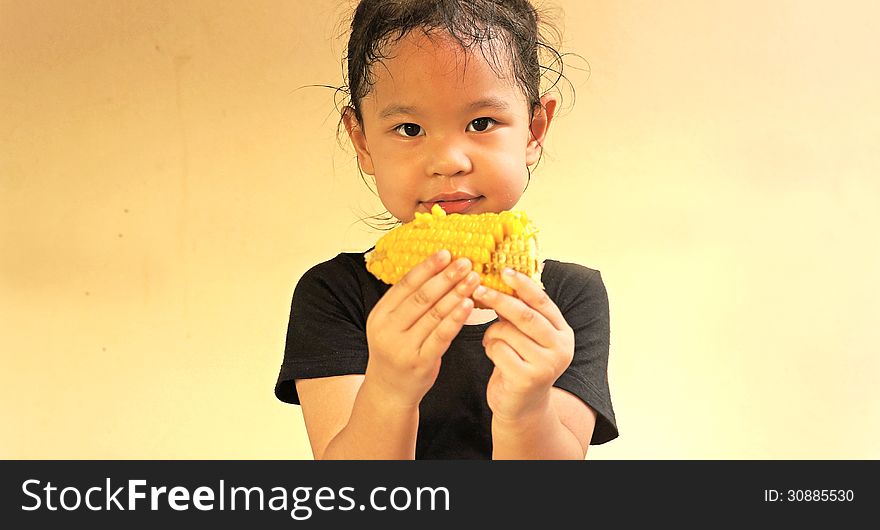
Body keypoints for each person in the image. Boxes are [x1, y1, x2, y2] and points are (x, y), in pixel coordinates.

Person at [275, 0, 617, 459]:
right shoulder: (334, 294)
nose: (448, 162)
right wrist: (390, 391)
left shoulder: (569, 298)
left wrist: (526, 409)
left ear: (534, 130)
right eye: (409, 128)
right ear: (362, 142)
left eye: (481, 123)